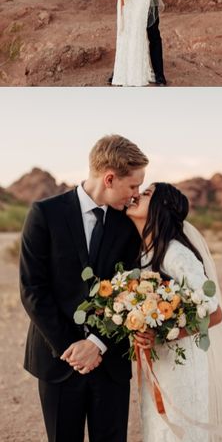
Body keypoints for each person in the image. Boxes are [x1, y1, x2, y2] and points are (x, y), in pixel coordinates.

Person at [19, 135, 150, 442]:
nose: (136, 195)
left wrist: (98, 344)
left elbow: (132, 288)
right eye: (133, 186)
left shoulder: (129, 224)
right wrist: (72, 349)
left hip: (110, 362)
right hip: (57, 360)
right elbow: (32, 289)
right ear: (109, 178)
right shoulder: (44, 214)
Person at [126, 182, 222, 441]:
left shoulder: (176, 255)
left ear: (160, 208)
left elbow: (215, 314)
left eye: (146, 194)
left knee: (179, 429)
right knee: (158, 427)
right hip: (157, 362)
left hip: (181, 367)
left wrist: (165, 335)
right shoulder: (144, 254)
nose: (136, 195)